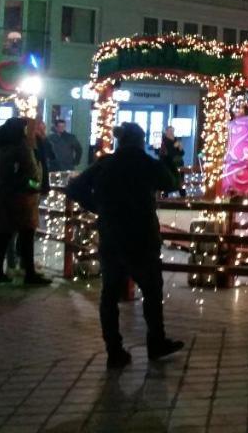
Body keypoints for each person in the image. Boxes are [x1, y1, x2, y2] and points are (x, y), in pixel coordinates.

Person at [67, 122, 184, 369]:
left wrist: (98, 207)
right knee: (151, 292)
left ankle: (114, 349)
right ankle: (156, 341)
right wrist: (168, 159)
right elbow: (172, 183)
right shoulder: (145, 164)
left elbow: (74, 188)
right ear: (140, 141)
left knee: (109, 295)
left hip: (112, 236)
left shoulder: (105, 164)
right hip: (142, 236)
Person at [0, 118, 50, 287]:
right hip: (22, 198)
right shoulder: (21, 146)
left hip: (2, 197)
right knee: (26, 236)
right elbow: (32, 172)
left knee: (3, 237)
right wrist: (36, 185)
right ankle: (29, 273)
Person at [158, 126, 185, 192]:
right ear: (166, 132)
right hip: (168, 163)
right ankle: (164, 196)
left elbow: (182, 153)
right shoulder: (163, 141)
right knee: (168, 180)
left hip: (179, 163)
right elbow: (166, 153)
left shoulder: (176, 140)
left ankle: (182, 195)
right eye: (170, 131)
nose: (171, 133)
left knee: (180, 181)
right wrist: (174, 147)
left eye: (172, 131)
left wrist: (180, 148)